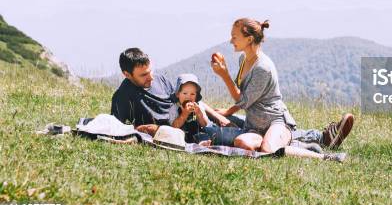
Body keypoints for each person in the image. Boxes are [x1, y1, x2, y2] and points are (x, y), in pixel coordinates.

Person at [111, 47, 354, 150]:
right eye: (143, 75)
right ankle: (317, 141)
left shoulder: (161, 80)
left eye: (150, 71)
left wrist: (221, 115)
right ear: (127, 74)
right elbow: (121, 130)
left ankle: (320, 136)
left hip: (204, 119)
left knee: (246, 122)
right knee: (252, 136)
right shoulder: (123, 98)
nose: (150, 78)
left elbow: (191, 100)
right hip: (194, 133)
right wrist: (151, 131)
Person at [210, 18, 349, 161]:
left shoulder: (262, 68)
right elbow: (243, 93)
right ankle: (299, 144)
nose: (231, 41)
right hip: (253, 125)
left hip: (275, 121)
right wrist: (227, 110)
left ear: (249, 39)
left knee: (268, 150)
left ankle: (325, 156)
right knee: (242, 143)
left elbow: (243, 101)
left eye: (234, 37)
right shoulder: (243, 59)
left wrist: (224, 75)